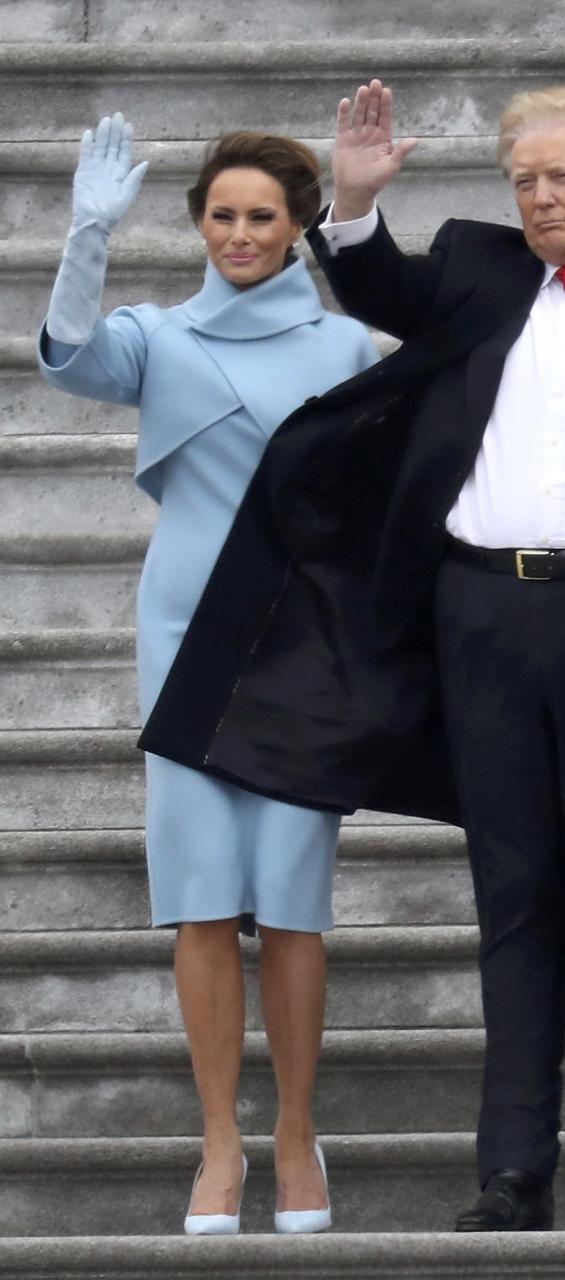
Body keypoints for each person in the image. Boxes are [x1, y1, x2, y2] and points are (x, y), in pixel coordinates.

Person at [138, 81, 565, 1232]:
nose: (539, 196)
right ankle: (511, 1164)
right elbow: (380, 284)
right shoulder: (478, 265)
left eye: (561, 176)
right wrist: (357, 202)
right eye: (524, 178)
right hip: (479, 618)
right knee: (511, 898)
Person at [36, 117, 379, 1235]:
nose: (238, 232)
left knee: (289, 897)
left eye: (262, 217)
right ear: (197, 221)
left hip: (301, 637)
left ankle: (293, 1132)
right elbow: (70, 355)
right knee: (198, 894)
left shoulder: (344, 347)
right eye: (221, 213)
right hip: (185, 629)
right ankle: (220, 1141)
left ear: (295, 231)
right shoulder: (157, 335)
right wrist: (87, 232)